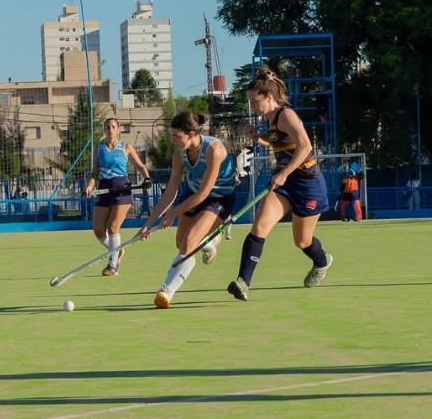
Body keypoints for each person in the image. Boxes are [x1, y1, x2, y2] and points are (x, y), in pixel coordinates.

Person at [228, 68, 331, 301]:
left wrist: (284, 172)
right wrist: (257, 137)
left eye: (255, 101)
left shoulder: (287, 115)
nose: (252, 106)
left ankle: (322, 261)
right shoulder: (271, 118)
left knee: (302, 241)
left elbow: (305, 146)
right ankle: (243, 282)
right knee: (260, 224)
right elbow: (275, 140)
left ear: (270, 97)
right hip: (284, 181)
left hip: (307, 183)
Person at [140, 112, 237, 308]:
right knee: (181, 243)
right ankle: (211, 240)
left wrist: (173, 213)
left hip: (218, 198)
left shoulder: (214, 150)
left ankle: (166, 292)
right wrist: (148, 224)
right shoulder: (179, 153)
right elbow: (171, 191)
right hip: (192, 193)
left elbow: (204, 194)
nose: (172, 140)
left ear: (191, 134)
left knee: (190, 242)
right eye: (171, 136)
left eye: (177, 136)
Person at [84, 117, 150, 276]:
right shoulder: (98, 148)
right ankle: (118, 251)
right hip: (104, 188)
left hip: (122, 188)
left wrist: (147, 178)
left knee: (113, 227)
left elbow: (140, 165)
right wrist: (90, 186)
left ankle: (112, 265)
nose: (110, 129)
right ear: (104, 130)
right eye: (107, 127)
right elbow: (95, 172)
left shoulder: (126, 147)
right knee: (98, 230)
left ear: (118, 129)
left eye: (113, 126)